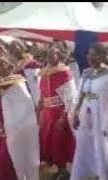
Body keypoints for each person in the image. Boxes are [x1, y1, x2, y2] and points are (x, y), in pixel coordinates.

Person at [71, 43, 108, 180]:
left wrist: (95, 102)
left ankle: (102, 172)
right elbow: (81, 93)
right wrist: (76, 112)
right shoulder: (86, 73)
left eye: (94, 54)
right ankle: (84, 171)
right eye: (89, 54)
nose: (90, 57)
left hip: (101, 116)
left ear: (103, 56)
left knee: (100, 143)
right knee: (83, 142)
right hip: (85, 115)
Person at [0, 55, 39, 180]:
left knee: (12, 164)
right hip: (4, 130)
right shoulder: (3, 82)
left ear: (9, 66)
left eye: (0, 64)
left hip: (15, 131)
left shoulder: (16, 79)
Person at [39, 46, 77, 180]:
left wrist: (63, 117)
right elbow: (42, 96)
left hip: (60, 113)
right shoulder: (44, 73)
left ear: (59, 56)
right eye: (48, 54)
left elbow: (71, 97)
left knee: (60, 143)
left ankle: (65, 171)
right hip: (48, 114)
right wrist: (40, 113)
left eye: (53, 54)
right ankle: (59, 170)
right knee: (51, 143)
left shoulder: (65, 73)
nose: (49, 57)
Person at [11, 41, 43, 107]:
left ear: (21, 47)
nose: (14, 50)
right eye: (12, 48)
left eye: (15, 47)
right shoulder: (14, 63)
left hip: (33, 91)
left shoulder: (29, 59)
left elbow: (39, 69)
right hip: (22, 93)